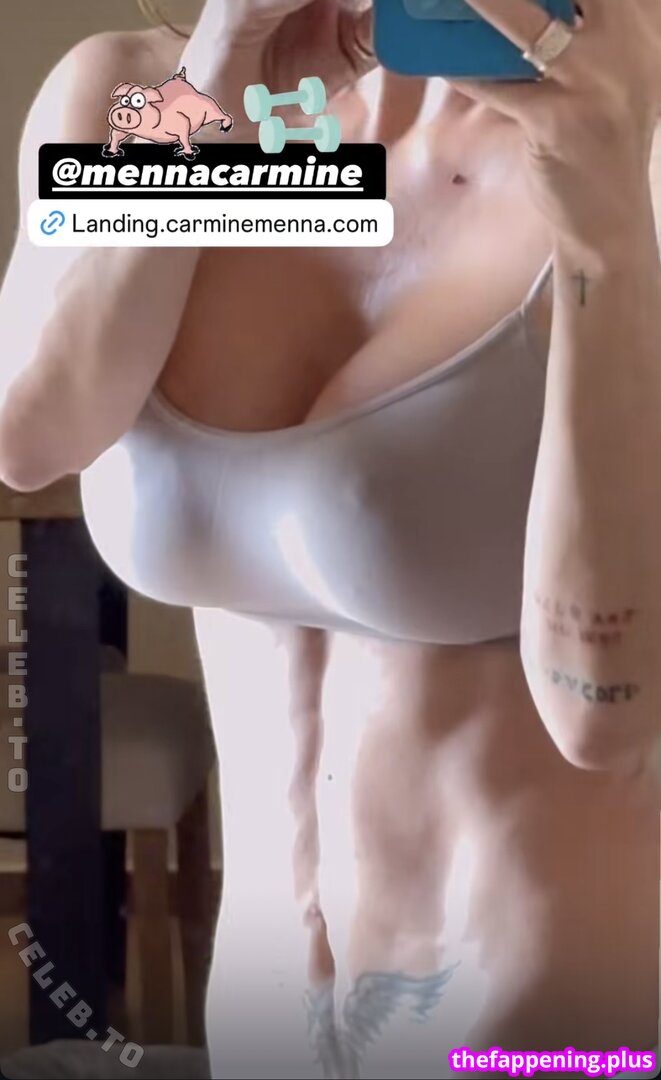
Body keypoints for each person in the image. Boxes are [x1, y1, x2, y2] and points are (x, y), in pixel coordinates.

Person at [0, 1, 659, 1077]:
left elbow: (604, 707)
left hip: (542, 1038)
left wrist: (608, 229)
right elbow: (30, 434)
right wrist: (215, 85)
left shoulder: (633, 133)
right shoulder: (148, 97)